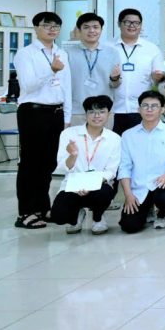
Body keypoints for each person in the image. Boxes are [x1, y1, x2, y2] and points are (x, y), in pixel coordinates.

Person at [14, 12, 72, 229]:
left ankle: (42, 207)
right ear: (36, 28)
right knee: (30, 163)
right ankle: (25, 212)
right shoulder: (25, 54)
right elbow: (28, 86)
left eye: (56, 25)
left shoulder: (61, 53)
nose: (52, 29)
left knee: (48, 163)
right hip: (33, 112)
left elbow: (67, 86)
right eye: (46, 25)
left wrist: (66, 117)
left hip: (55, 113)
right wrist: (51, 70)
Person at [51, 95, 120, 235]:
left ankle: (98, 218)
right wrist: (73, 155)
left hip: (99, 185)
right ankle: (77, 214)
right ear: (85, 115)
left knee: (104, 193)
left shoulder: (114, 139)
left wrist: (91, 183)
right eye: (91, 112)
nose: (96, 116)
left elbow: (111, 171)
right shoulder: (69, 134)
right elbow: (62, 167)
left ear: (109, 114)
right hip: (72, 185)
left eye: (101, 112)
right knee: (58, 216)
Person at [118, 90, 165, 233]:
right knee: (129, 226)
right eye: (145, 106)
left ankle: (162, 214)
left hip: (163, 183)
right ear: (138, 109)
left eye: (154, 106)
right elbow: (124, 167)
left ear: (162, 109)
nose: (149, 109)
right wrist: (128, 195)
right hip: (139, 187)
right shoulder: (128, 135)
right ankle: (147, 210)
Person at [111, 8, 165, 135]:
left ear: (141, 25)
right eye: (127, 22)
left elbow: (158, 78)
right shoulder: (109, 47)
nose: (132, 26)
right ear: (119, 24)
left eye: (136, 23)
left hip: (141, 110)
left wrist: (158, 77)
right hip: (113, 109)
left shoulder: (152, 49)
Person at [66, 13, 117, 126]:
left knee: (103, 143)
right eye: (86, 27)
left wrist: (115, 79)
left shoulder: (112, 52)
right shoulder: (68, 53)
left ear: (101, 30)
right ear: (79, 30)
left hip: (104, 111)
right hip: (76, 110)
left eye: (95, 27)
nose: (91, 30)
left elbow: (115, 84)